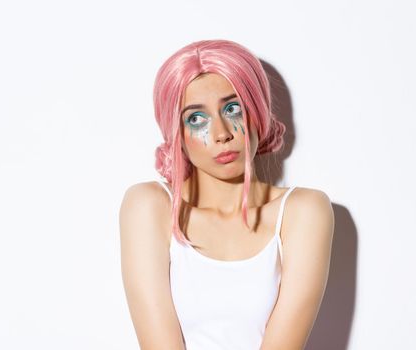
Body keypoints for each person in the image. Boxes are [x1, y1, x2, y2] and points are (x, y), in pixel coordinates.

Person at [119, 39, 335, 350]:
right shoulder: (150, 207)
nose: (221, 133)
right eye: (196, 118)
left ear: (257, 110)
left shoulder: (303, 211)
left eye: (232, 108)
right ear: (175, 133)